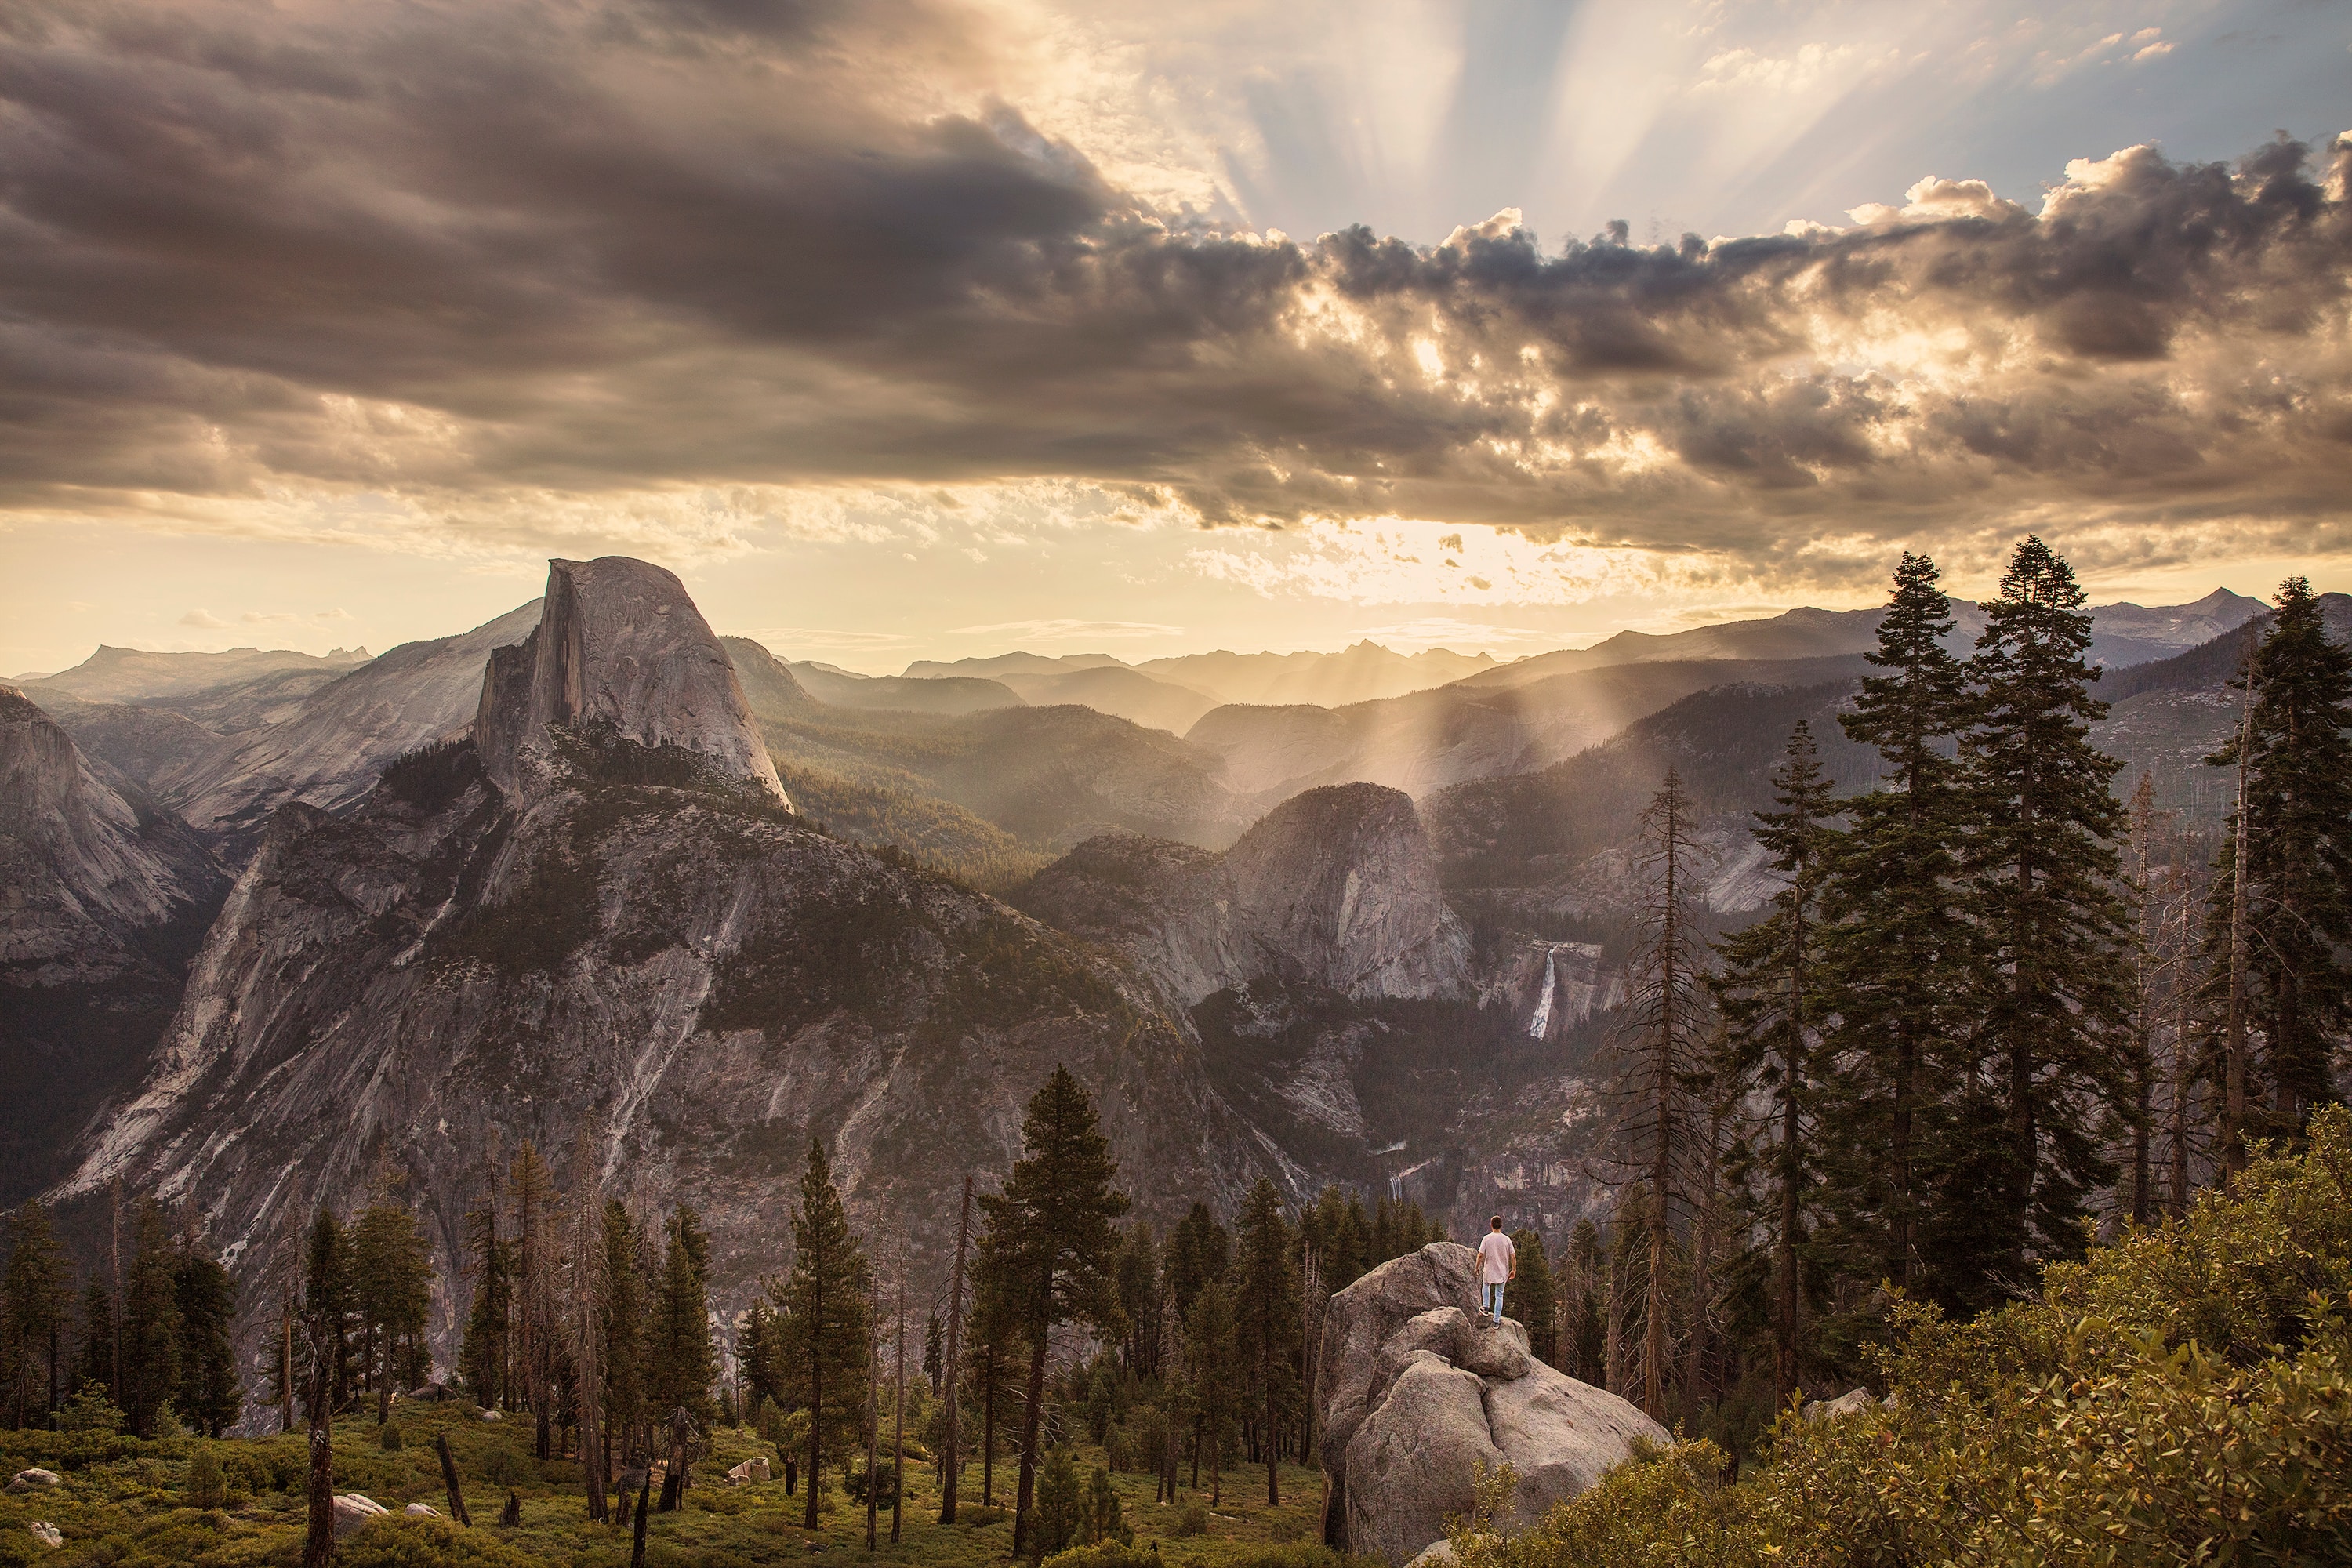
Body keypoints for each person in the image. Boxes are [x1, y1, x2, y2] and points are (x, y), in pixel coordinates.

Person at [1476, 1217, 1515, 1324]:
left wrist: (1476, 1267)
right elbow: (1513, 1256)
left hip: (1489, 1269)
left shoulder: (1486, 1238)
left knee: (1486, 1285)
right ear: (1501, 1226)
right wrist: (1514, 1270)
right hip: (1503, 1271)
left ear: (1491, 1225)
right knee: (1499, 1295)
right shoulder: (1507, 1239)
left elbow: (1480, 1255)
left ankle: (1485, 1307)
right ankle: (1496, 1321)